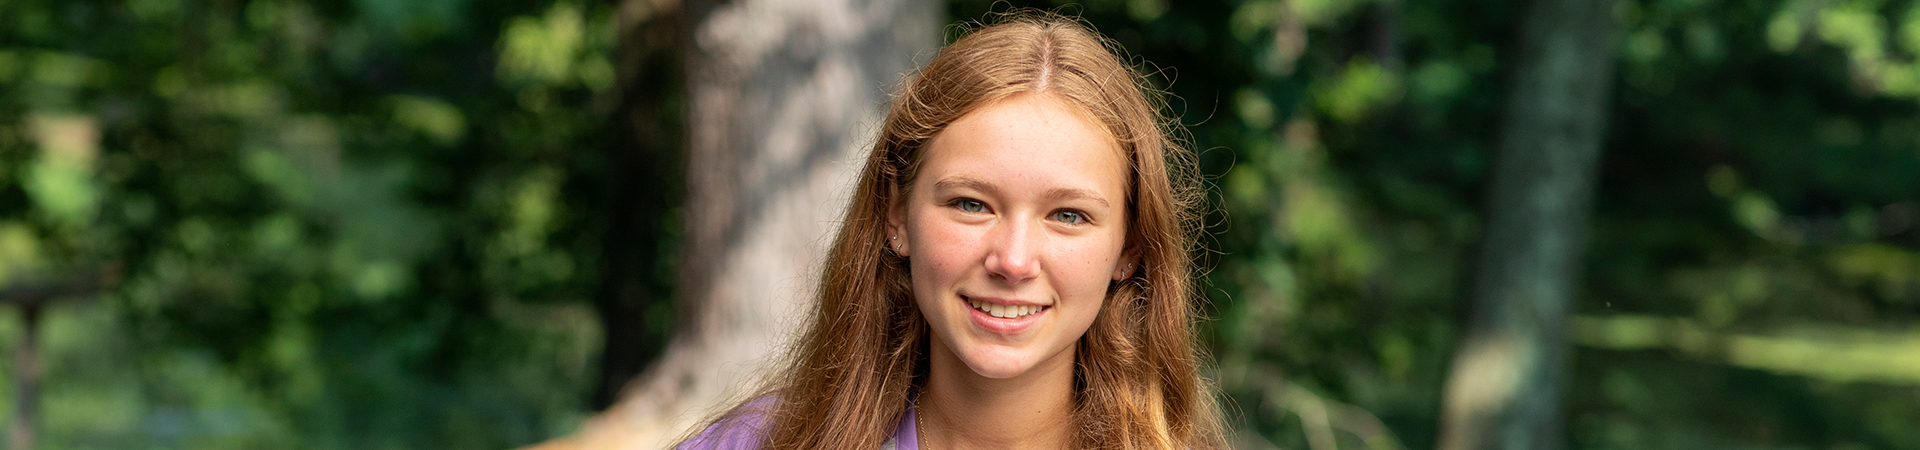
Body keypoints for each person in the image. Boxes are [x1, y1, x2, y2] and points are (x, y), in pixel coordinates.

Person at [678, 11, 1225, 450]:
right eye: (971, 204)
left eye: (1068, 215)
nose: (1013, 261)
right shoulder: (752, 443)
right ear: (897, 214)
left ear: (1128, 248)